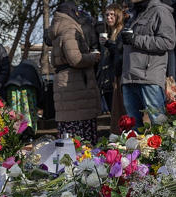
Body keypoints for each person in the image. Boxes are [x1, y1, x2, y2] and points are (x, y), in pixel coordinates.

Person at [49, 1, 102, 143]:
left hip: (65, 84)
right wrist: (93, 57)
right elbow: (75, 59)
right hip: (75, 86)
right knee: (81, 140)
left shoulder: (57, 27)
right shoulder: (68, 28)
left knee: (68, 137)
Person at [119, 0, 176, 127]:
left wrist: (135, 39)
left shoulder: (160, 11)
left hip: (149, 77)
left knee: (159, 125)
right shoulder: (133, 12)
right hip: (129, 77)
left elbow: (168, 42)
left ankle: (163, 147)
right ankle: (137, 148)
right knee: (132, 128)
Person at [97, 3, 128, 130]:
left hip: (119, 77)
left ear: (118, 16)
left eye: (112, 15)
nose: (109, 17)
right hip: (108, 80)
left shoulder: (122, 32)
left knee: (121, 112)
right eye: (107, 15)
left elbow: (122, 53)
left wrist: (109, 44)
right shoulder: (109, 33)